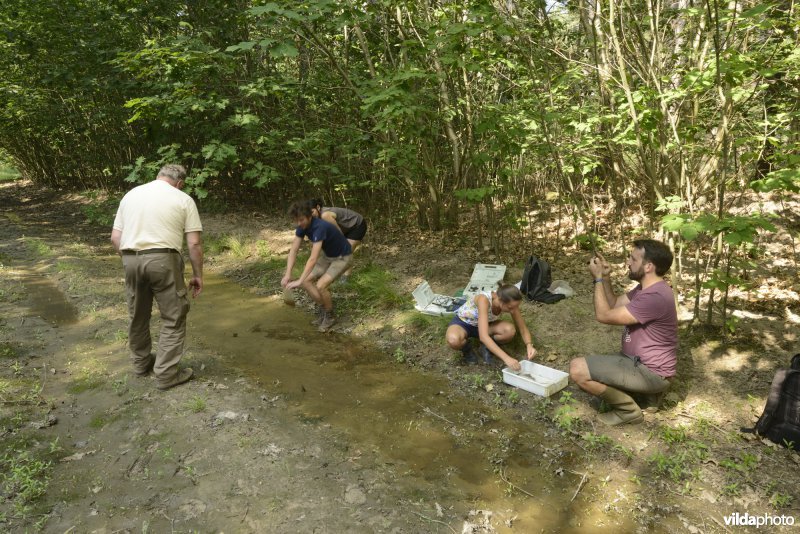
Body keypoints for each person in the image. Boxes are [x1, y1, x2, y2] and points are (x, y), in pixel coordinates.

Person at [110, 164, 203, 390]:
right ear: (180, 183)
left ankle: (141, 365)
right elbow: (194, 243)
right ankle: (166, 375)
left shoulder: (131, 195)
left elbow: (115, 238)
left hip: (130, 258)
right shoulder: (183, 199)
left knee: (138, 315)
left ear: (158, 177)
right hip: (163, 259)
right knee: (173, 316)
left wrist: (132, 259)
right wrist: (198, 274)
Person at [569, 239, 678, 426]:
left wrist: (597, 279)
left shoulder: (655, 296)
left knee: (577, 369)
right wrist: (606, 277)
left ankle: (628, 411)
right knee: (597, 372)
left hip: (650, 372)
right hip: (638, 364)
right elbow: (613, 304)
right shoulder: (646, 288)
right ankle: (647, 398)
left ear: (649, 266)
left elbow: (604, 315)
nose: (628, 262)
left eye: (633, 259)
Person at [282, 201, 353, 332]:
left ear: (309, 216)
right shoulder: (302, 226)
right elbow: (293, 250)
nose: (299, 223)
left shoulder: (319, 227)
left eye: (301, 220)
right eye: (296, 220)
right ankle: (325, 309)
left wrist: (299, 280)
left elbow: (313, 258)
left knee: (320, 285)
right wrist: (288, 274)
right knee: (307, 281)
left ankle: (330, 316)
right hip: (328, 256)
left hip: (343, 257)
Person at [445, 284, 538, 371]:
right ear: (500, 300)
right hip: (464, 323)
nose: (513, 310)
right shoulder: (483, 300)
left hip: (486, 325)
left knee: (509, 330)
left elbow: (522, 328)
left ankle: (485, 348)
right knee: (454, 340)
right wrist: (507, 358)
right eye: (510, 308)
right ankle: (467, 349)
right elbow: (483, 336)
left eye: (515, 307)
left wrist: (529, 345)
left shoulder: (510, 302)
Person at [309, 199, 366, 282]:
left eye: (312, 212)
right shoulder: (315, 219)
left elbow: (338, 233)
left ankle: (345, 278)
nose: (310, 216)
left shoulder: (325, 215)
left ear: (318, 207)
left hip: (357, 225)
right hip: (345, 227)